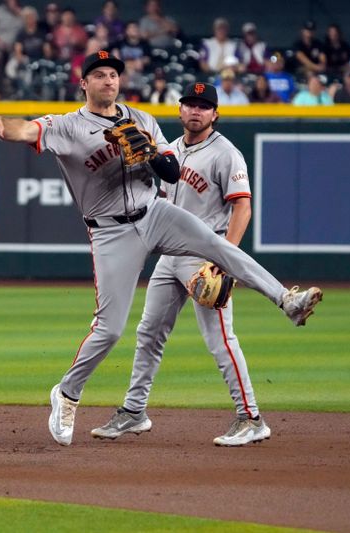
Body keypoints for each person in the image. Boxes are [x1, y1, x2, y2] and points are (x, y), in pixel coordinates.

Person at [0, 51, 323, 447]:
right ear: (84, 84)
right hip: (111, 232)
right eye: (100, 75)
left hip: (154, 212)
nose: (109, 81)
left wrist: (152, 153)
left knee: (215, 244)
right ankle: (68, 393)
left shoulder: (142, 119)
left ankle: (286, 300)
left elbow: (171, 172)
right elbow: (26, 130)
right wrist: (2, 125)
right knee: (110, 330)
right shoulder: (68, 126)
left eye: (113, 75)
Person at [91, 82, 274, 447]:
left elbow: (243, 206)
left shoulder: (226, 153)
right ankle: (134, 412)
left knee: (220, 339)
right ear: (179, 110)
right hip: (170, 256)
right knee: (149, 334)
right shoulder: (169, 150)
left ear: (215, 114)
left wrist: (225, 258)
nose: (195, 111)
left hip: (205, 259)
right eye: (189, 104)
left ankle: (251, 418)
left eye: (203, 107)